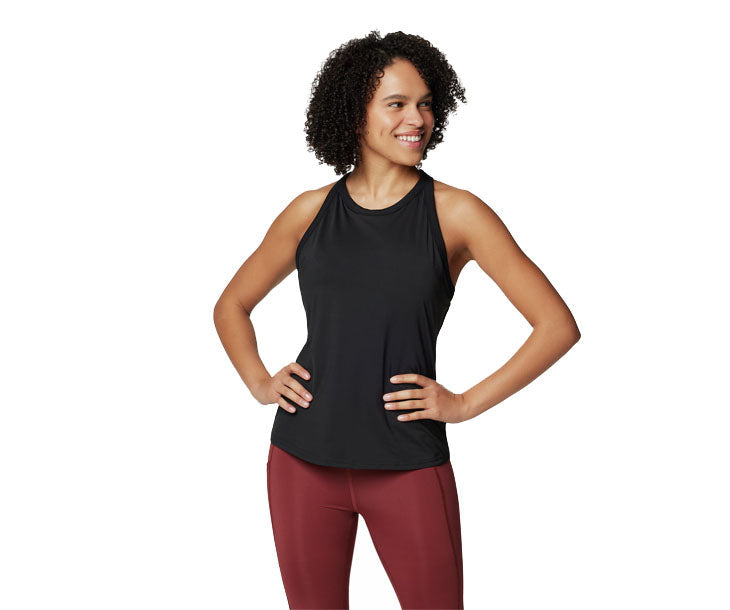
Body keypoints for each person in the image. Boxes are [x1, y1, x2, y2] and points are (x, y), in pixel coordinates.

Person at [214, 30, 580, 610]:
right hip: (301, 459)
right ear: (354, 111)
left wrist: (464, 403)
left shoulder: (457, 213)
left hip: (407, 463)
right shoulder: (309, 211)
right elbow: (231, 304)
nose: (418, 119)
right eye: (397, 104)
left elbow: (556, 325)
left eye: (426, 104)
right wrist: (259, 381)